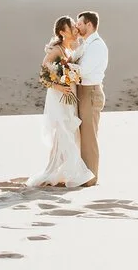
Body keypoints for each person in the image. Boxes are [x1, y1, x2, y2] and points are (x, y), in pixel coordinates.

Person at [26, 16, 92, 189]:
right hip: (59, 96)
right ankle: (76, 172)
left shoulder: (69, 49)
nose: (75, 29)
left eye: (74, 26)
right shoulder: (56, 50)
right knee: (64, 130)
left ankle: (57, 171)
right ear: (62, 32)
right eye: (71, 27)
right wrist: (60, 87)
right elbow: (43, 75)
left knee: (67, 130)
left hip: (68, 95)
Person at [74, 10, 108, 187]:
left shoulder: (96, 45)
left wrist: (64, 70)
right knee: (82, 135)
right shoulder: (86, 44)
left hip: (91, 92)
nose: (77, 27)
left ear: (89, 24)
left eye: (79, 23)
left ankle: (91, 178)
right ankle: (83, 174)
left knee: (89, 136)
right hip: (83, 91)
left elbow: (84, 69)